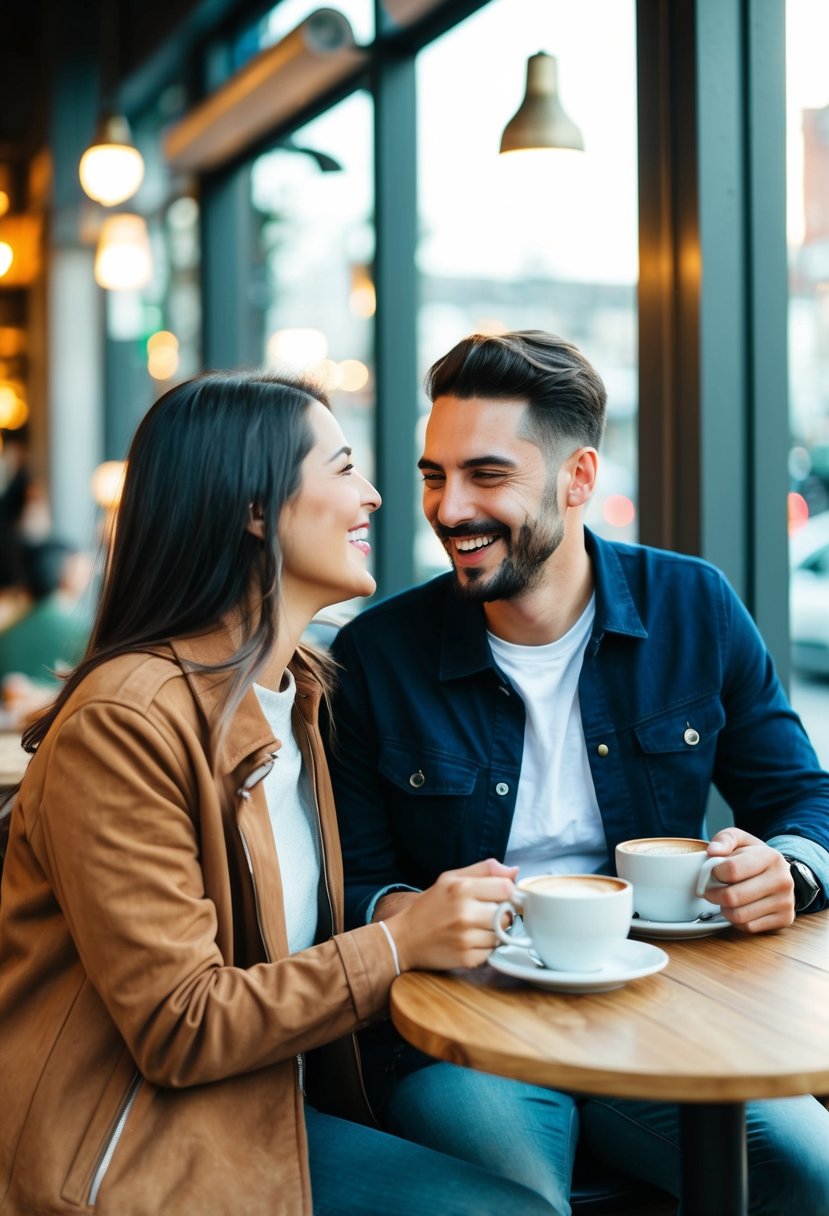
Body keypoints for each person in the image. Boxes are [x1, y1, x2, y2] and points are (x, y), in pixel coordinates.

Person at [0, 370, 554, 1216]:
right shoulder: (123, 725)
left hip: (264, 1103)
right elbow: (181, 1027)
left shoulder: (299, 697)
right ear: (255, 509)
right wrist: (401, 945)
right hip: (134, 1143)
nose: (372, 495)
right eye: (340, 468)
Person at [327, 331, 829, 1216]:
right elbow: (355, 883)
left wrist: (786, 868)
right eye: (434, 477)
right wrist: (413, 914)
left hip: (659, 999)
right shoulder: (377, 653)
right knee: (512, 1204)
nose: (449, 510)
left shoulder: (693, 605)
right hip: (468, 1020)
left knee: (807, 1168)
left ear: (579, 477)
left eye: (486, 476)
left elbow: (803, 795)